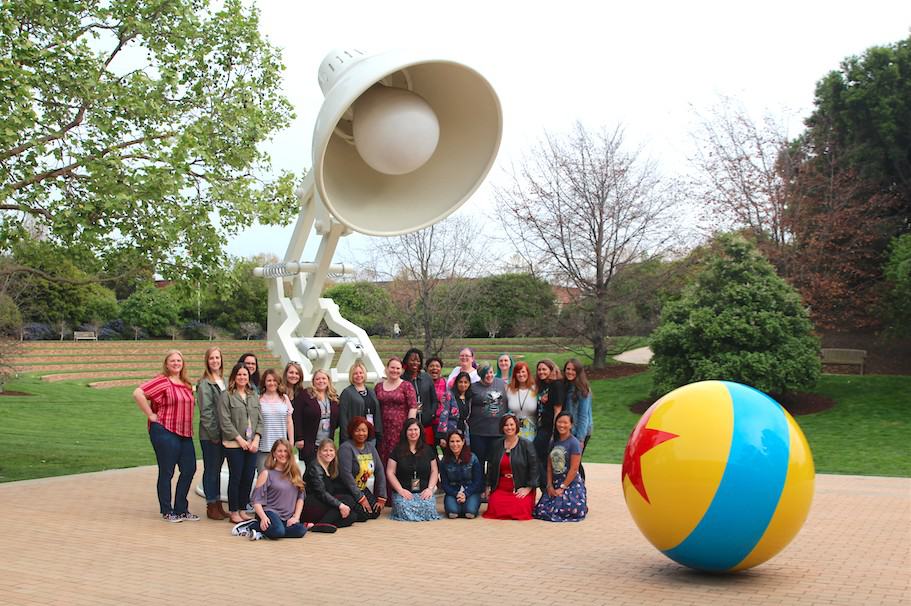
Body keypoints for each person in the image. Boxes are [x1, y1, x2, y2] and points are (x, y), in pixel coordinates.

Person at [133, 350, 199, 523]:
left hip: (185, 432)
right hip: (165, 431)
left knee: (189, 468)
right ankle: (167, 510)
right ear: (166, 363)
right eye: (172, 361)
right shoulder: (162, 381)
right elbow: (138, 393)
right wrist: (150, 415)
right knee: (167, 471)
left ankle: (181, 508)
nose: (176, 363)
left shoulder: (185, 383)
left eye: (179, 360)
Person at [218, 362, 263, 523]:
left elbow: (259, 419)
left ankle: (243, 508)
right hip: (234, 444)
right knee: (236, 477)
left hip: (252, 445)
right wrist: (240, 440)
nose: (242, 377)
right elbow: (225, 421)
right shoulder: (226, 395)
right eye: (239, 375)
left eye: (245, 374)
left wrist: (256, 439)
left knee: (248, 477)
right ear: (234, 377)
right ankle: (233, 511)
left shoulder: (253, 395)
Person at [241, 439, 306, 540]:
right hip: (270, 512)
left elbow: (300, 498)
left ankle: (264, 532)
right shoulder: (266, 474)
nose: (283, 454)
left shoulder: (295, 474)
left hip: (287, 516)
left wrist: (296, 517)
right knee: (278, 531)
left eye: (285, 451)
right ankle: (251, 526)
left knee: (301, 530)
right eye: (279, 451)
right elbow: (256, 500)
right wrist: (263, 517)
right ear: (274, 454)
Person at [533, 412, 588, 522]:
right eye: (559, 422)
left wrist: (563, 487)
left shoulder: (574, 443)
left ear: (571, 425)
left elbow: (574, 469)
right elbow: (549, 466)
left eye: (565, 423)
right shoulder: (554, 442)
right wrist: (549, 485)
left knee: (567, 509)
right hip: (555, 482)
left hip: (569, 483)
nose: (562, 425)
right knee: (542, 510)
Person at [483, 414, 538, 520]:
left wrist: (528, 488)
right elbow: (490, 467)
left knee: (520, 509)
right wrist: (488, 486)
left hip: (520, 486)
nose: (509, 427)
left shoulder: (527, 444)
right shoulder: (496, 445)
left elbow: (534, 467)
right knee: (494, 506)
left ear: (516, 426)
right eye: (506, 425)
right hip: (501, 486)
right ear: (502, 427)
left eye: (512, 424)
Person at [195, 346, 228, 521]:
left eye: (217, 358)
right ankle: (211, 505)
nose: (215, 361)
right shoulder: (204, 384)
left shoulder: (224, 380)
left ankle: (218, 505)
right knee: (211, 470)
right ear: (207, 361)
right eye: (212, 358)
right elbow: (206, 412)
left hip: (224, 434)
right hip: (211, 436)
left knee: (217, 469)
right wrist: (215, 435)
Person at [386, 418, 440, 522]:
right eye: (410, 430)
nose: (413, 432)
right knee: (402, 507)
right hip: (403, 491)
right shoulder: (397, 450)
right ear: (405, 432)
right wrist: (400, 490)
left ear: (420, 431)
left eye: (416, 429)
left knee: (428, 507)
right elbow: (390, 472)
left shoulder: (428, 449)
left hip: (423, 491)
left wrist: (430, 489)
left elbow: (434, 471)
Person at [301, 439, 358, 532]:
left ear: (335, 452)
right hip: (312, 503)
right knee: (347, 501)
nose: (328, 453)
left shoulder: (330, 467)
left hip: (322, 502)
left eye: (331, 450)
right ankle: (321, 524)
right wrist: (340, 505)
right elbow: (321, 493)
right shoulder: (315, 467)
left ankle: (321, 524)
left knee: (352, 516)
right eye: (325, 450)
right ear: (319, 452)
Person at [338, 417, 387, 520]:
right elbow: (346, 475)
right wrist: (361, 498)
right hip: (347, 489)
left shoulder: (370, 447)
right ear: (352, 431)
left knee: (375, 512)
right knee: (364, 515)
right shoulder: (346, 448)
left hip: (362, 488)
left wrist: (382, 496)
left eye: (364, 430)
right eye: (357, 430)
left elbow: (379, 470)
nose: (361, 433)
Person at [375, 356, 418, 467]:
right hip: (383, 430)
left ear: (402, 370)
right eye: (392, 367)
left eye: (398, 368)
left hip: (400, 430)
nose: (395, 370)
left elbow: (413, 407)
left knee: (399, 458)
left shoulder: (406, 386)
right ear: (387, 369)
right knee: (383, 458)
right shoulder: (378, 387)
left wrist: (409, 427)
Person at [292, 369, 340, 463]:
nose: (321, 381)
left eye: (323, 378)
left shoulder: (333, 397)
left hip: (327, 443)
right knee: (313, 471)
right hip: (310, 442)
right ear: (313, 381)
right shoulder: (305, 395)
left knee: (327, 471)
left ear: (328, 380)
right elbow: (297, 418)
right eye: (318, 379)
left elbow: (337, 418)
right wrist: (299, 438)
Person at [467, 364, 507, 470]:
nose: (489, 376)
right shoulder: (473, 387)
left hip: (498, 431)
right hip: (478, 431)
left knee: (495, 461)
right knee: (478, 461)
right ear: (480, 375)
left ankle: (492, 485)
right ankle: (480, 484)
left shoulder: (501, 383)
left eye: (490, 372)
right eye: (485, 374)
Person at [438, 429, 484, 519]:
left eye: (458, 441)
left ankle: (468, 505)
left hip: (471, 491)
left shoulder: (473, 458)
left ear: (463, 442)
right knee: (453, 514)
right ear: (448, 443)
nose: (455, 444)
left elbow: (478, 481)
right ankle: (458, 506)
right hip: (453, 492)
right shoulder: (444, 461)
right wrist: (456, 494)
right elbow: (445, 484)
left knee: (470, 513)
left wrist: (466, 494)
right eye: (452, 441)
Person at [257, 368, 294, 472]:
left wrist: (291, 443)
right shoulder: (258, 399)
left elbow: (289, 422)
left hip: (281, 447)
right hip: (264, 446)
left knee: (282, 477)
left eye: (274, 380)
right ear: (264, 382)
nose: (272, 383)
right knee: (264, 477)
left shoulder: (284, 398)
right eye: (269, 380)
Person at [338, 360, 382, 446]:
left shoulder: (371, 391)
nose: (358, 375)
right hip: (355, 436)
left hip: (370, 435)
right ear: (351, 375)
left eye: (361, 373)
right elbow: (343, 417)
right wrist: (346, 436)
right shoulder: (347, 392)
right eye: (355, 373)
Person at [533, 359, 564, 482]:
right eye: (539, 369)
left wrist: (554, 432)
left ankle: (547, 486)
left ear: (551, 370)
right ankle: (546, 486)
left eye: (544, 369)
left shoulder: (556, 385)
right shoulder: (543, 385)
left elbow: (558, 410)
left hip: (549, 428)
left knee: (536, 454)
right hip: (541, 426)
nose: (541, 372)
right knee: (542, 457)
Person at [402, 347, 439, 447]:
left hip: (426, 424)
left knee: (428, 451)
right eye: (412, 360)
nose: (415, 363)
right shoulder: (402, 380)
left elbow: (434, 400)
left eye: (418, 360)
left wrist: (431, 414)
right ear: (406, 361)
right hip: (408, 426)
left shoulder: (426, 378)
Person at [562, 359, 593, 449]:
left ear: (578, 372)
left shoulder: (583, 389)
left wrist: (580, 439)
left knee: (575, 461)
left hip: (579, 432)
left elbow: (583, 415)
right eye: (568, 369)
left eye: (573, 370)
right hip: (567, 430)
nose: (570, 372)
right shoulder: (565, 385)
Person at [436, 371, 471, 447]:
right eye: (460, 382)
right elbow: (444, 415)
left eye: (466, 382)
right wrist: (442, 436)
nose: (463, 384)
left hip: (464, 431)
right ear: (456, 383)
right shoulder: (450, 395)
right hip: (450, 430)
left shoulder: (469, 398)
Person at [506, 361, 538, 441]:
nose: (521, 374)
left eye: (523, 371)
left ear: (528, 373)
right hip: (513, 429)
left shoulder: (535, 389)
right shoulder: (509, 389)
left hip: (532, 428)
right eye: (518, 372)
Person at [426, 356, 447, 444]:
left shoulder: (445, 383)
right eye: (431, 366)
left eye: (437, 366)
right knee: (430, 450)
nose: (434, 368)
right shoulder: (423, 382)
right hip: (428, 423)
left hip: (442, 423)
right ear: (427, 368)